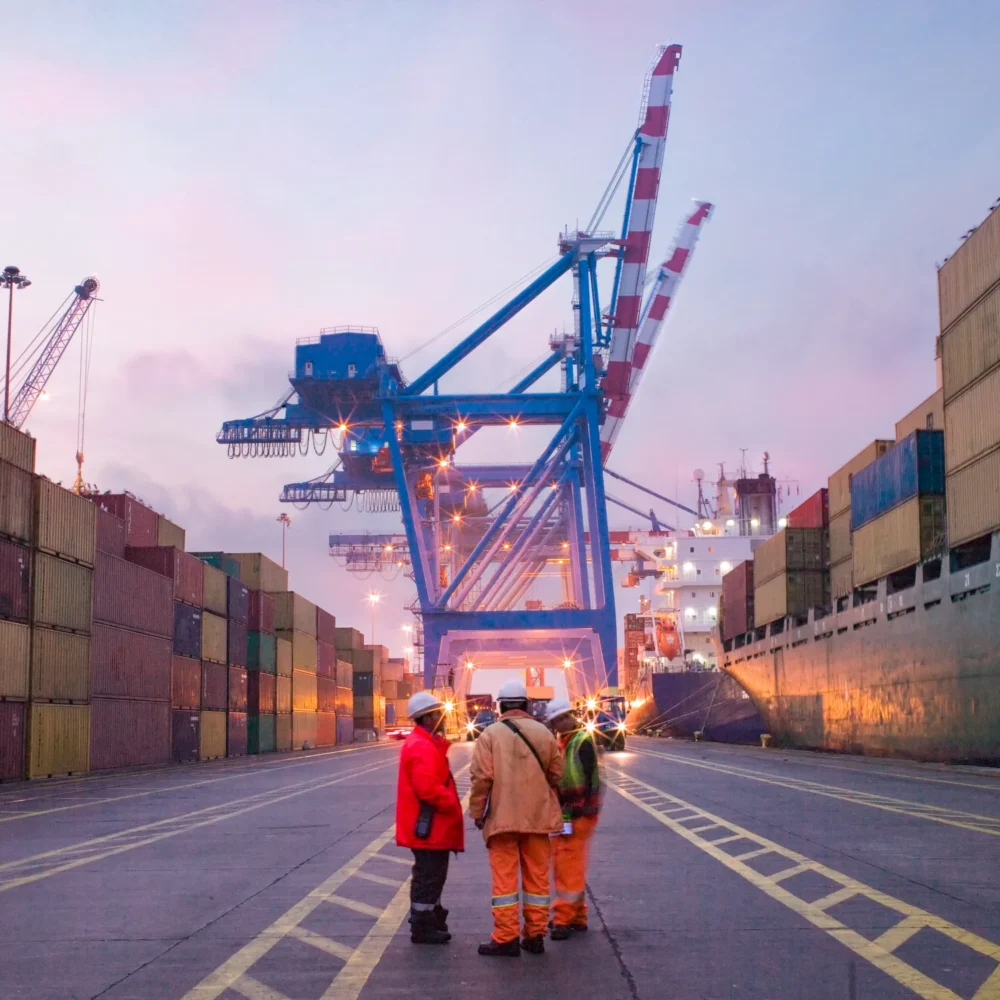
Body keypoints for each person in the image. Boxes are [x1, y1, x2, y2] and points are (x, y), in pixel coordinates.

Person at [469, 679, 564, 957]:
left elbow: (482, 779)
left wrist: (477, 813)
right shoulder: (544, 733)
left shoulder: (489, 735)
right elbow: (557, 774)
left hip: (502, 819)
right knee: (537, 879)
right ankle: (535, 935)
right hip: (537, 817)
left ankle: (506, 938)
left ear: (500, 706)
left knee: (505, 882)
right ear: (526, 704)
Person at [396, 691, 464, 945]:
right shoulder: (422, 746)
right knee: (429, 876)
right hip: (430, 827)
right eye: (438, 714)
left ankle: (430, 919)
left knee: (431, 875)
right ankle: (423, 926)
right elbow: (427, 788)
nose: (442, 718)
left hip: (430, 827)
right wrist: (452, 804)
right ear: (426, 718)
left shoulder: (423, 743)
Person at [545, 697, 602, 939]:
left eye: (563, 717)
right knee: (570, 863)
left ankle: (563, 918)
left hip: (579, 812)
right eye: (556, 720)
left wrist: (585, 807)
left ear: (571, 716)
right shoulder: (565, 742)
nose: (561, 722)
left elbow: (592, 780)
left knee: (566, 866)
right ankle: (578, 916)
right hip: (568, 812)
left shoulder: (581, 742)